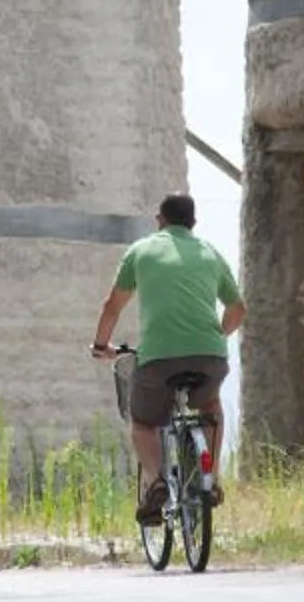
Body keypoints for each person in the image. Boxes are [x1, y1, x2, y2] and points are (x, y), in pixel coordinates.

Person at [93, 193, 244, 524]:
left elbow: (112, 306)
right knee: (210, 408)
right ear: (194, 223)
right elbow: (237, 309)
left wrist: (101, 345)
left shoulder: (141, 251)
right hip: (209, 354)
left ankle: (157, 481)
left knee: (144, 422)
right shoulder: (211, 253)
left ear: (160, 220)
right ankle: (211, 479)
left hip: (159, 357)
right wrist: (216, 336)